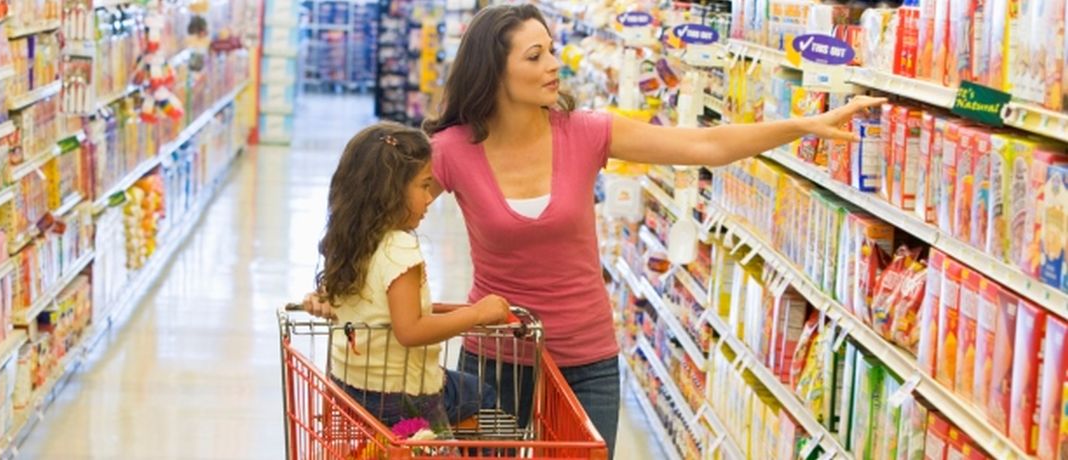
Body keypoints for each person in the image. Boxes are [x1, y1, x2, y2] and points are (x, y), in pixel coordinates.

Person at [307, 4, 886, 453]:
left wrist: (802, 124)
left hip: (588, 358)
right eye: (534, 56)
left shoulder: (585, 133)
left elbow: (704, 143)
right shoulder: (454, 150)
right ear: (496, 69)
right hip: (497, 359)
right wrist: (343, 291)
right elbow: (375, 206)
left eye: (553, 51)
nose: (553, 65)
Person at [315, 122, 511, 431]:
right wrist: (477, 313)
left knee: (458, 386)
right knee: (481, 394)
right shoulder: (399, 249)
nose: (430, 197)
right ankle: (441, 448)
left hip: (352, 387)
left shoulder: (349, 242)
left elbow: (369, 307)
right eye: (423, 185)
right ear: (390, 191)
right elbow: (410, 330)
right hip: (402, 396)